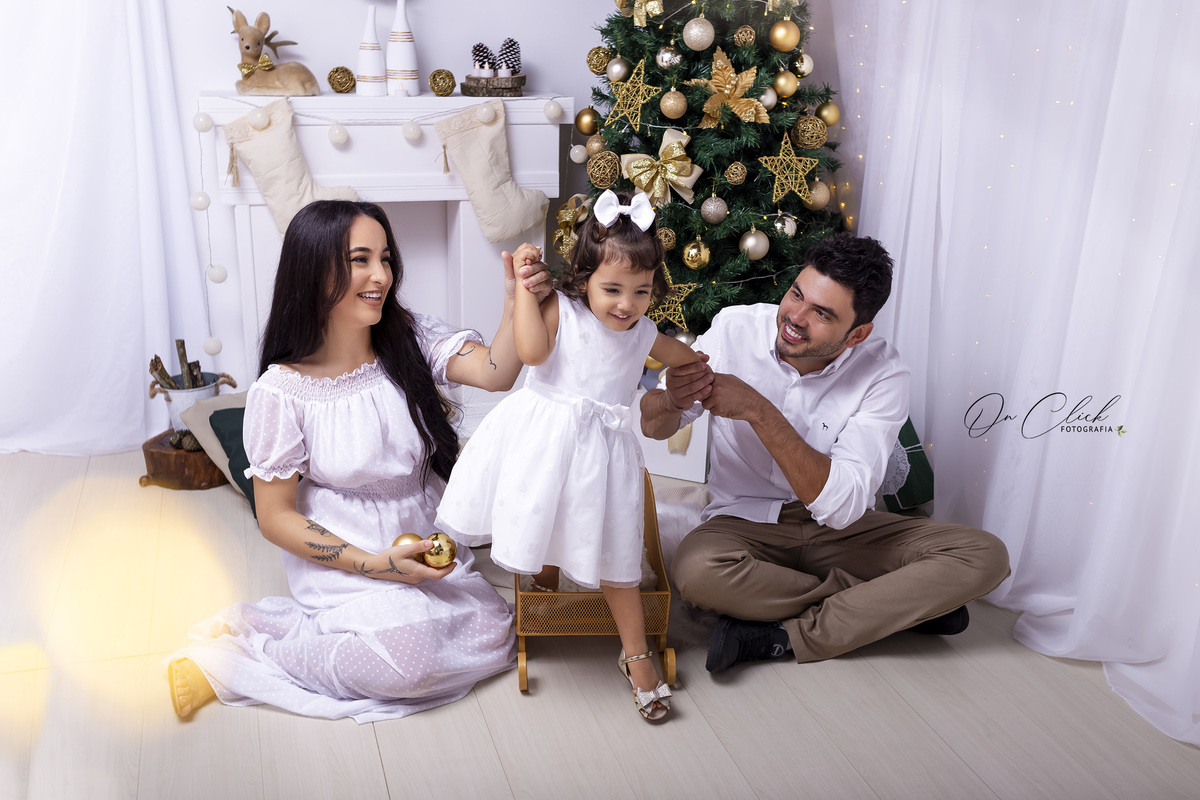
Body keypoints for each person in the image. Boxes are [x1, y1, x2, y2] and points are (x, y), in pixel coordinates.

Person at [166, 199, 553, 722]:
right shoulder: (281, 391)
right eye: (359, 260)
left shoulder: (409, 338)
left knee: (495, 635)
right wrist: (375, 565)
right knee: (407, 667)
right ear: (313, 270)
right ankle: (244, 656)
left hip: (420, 540)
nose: (382, 276)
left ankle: (350, 634)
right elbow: (276, 516)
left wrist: (514, 300)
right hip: (348, 556)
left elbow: (496, 373)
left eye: (386, 258)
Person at [639, 232, 1010, 672]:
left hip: (842, 532)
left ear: (858, 334)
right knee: (698, 572)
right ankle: (885, 607)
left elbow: (841, 508)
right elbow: (652, 425)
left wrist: (759, 409)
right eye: (796, 294)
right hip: (741, 523)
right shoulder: (734, 328)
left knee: (984, 555)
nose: (794, 317)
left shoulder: (884, 374)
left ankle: (785, 635)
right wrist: (671, 400)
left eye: (822, 314)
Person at [436, 190, 698, 721]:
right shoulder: (563, 310)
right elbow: (531, 354)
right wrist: (525, 296)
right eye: (612, 289)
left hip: (605, 453)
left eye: (641, 291)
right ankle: (545, 598)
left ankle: (636, 654)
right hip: (545, 438)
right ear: (583, 279)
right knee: (546, 518)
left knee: (617, 558)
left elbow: (686, 357)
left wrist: (697, 375)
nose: (626, 303)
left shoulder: (644, 330)